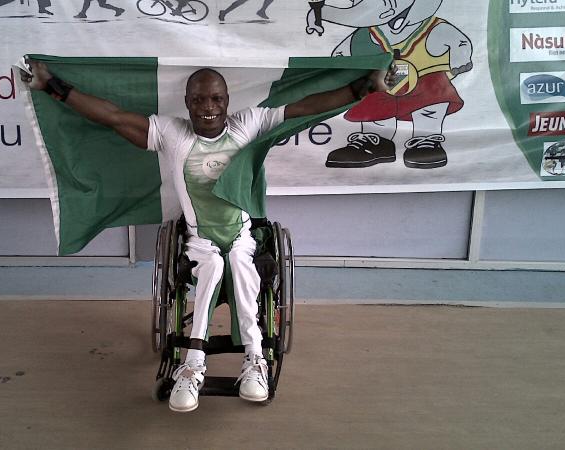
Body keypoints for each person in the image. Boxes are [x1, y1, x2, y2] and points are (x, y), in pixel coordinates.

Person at [23, 60, 392, 412]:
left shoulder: (249, 123)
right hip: (200, 239)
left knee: (236, 260)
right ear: (187, 103)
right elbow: (113, 116)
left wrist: (363, 87)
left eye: (216, 98)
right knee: (214, 263)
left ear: (227, 101)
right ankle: (192, 365)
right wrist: (53, 86)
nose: (208, 107)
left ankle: (255, 360)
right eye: (198, 99)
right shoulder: (171, 133)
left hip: (243, 236)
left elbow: (304, 105)